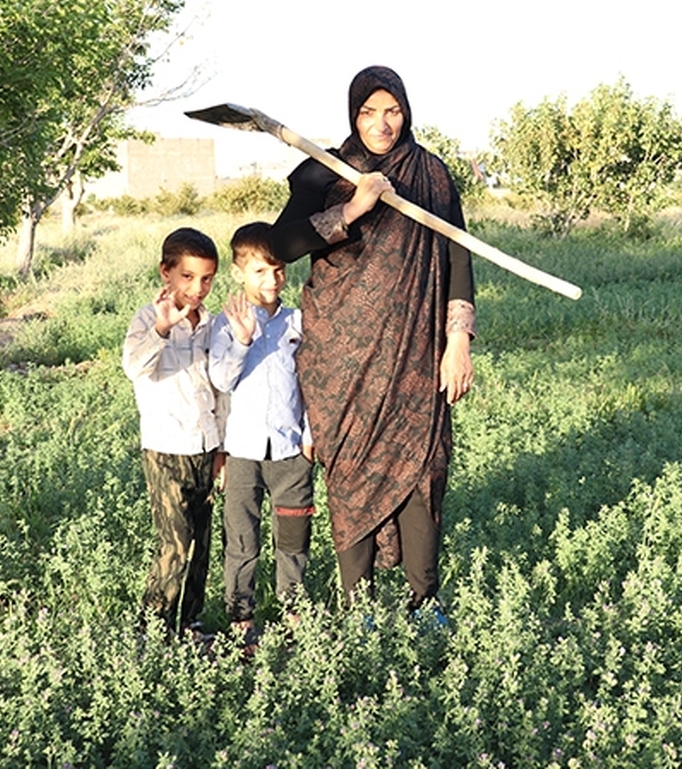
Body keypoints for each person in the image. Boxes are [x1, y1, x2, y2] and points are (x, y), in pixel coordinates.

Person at [269, 65, 475, 618]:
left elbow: (458, 255)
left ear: (406, 112)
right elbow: (281, 243)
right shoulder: (324, 172)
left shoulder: (430, 175)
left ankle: (423, 601)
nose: (382, 124)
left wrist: (458, 338)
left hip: (415, 349)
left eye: (392, 111)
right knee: (352, 467)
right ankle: (355, 607)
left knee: (423, 467)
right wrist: (352, 208)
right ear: (353, 114)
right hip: (342, 356)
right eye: (368, 113)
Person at [209, 222, 315, 650]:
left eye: (277, 270)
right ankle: (241, 620)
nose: (270, 280)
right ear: (238, 273)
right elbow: (220, 378)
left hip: (292, 450)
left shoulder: (299, 321)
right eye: (259, 271)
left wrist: (311, 434)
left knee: (293, 538)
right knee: (241, 538)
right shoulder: (226, 323)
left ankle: (294, 615)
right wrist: (241, 340)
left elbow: (313, 382)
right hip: (243, 451)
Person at [122, 226, 220, 641]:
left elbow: (221, 389)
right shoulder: (148, 319)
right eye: (188, 277)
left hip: (207, 448)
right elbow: (135, 368)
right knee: (175, 544)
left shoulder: (214, 325)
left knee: (201, 545)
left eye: (207, 279)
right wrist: (162, 329)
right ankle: (154, 624)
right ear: (166, 272)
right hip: (166, 450)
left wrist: (224, 449)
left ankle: (190, 621)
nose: (197, 288)